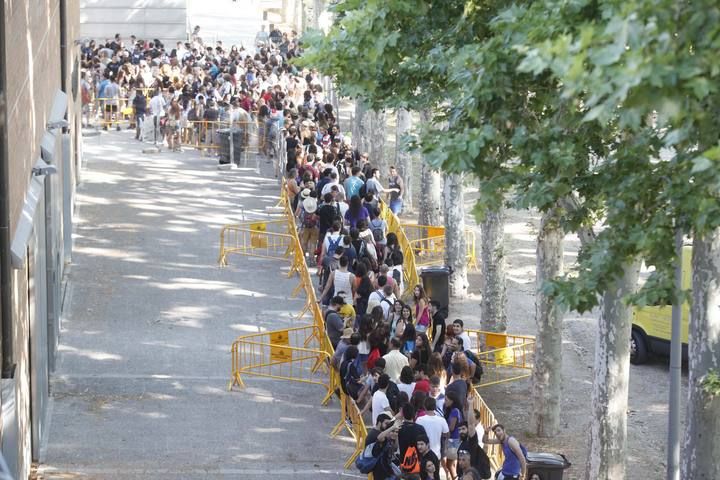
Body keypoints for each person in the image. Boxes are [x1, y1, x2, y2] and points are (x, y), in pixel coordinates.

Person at [457, 392, 491, 479]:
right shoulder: (463, 443)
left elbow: (471, 424)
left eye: (463, 429)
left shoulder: (472, 443)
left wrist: (471, 404)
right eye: (459, 430)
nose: (461, 431)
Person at [365, 413, 400, 480]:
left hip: (383, 466)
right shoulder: (378, 436)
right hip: (380, 469)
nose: (387, 426)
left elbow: (395, 448)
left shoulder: (379, 433)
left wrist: (396, 434)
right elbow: (380, 438)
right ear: (379, 423)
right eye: (386, 423)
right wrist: (392, 427)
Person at [416, 396, 449, 461]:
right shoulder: (441, 420)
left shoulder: (419, 420)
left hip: (423, 453)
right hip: (436, 454)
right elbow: (447, 434)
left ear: (424, 406)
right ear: (435, 406)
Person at [398, 403, 427, 470]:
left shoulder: (399, 428)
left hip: (403, 462)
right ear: (415, 414)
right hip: (418, 462)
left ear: (403, 414)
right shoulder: (420, 428)